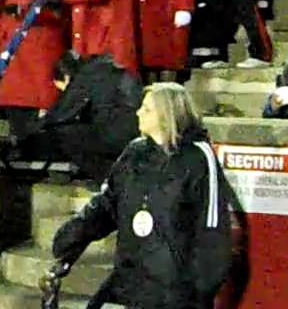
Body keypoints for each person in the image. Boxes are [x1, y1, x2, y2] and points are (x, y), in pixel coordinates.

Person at [51, 83, 231, 308]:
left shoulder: (198, 158)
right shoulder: (134, 152)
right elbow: (107, 205)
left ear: (167, 114)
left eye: (146, 109)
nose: (138, 113)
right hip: (131, 280)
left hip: (176, 292)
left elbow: (212, 231)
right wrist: (73, 236)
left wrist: (200, 291)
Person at [38, 52, 143, 182]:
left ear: (66, 77)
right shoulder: (106, 66)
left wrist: (37, 124)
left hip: (117, 133)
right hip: (136, 130)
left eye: (63, 88)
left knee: (62, 135)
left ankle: (111, 180)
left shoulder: (85, 75)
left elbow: (63, 112)